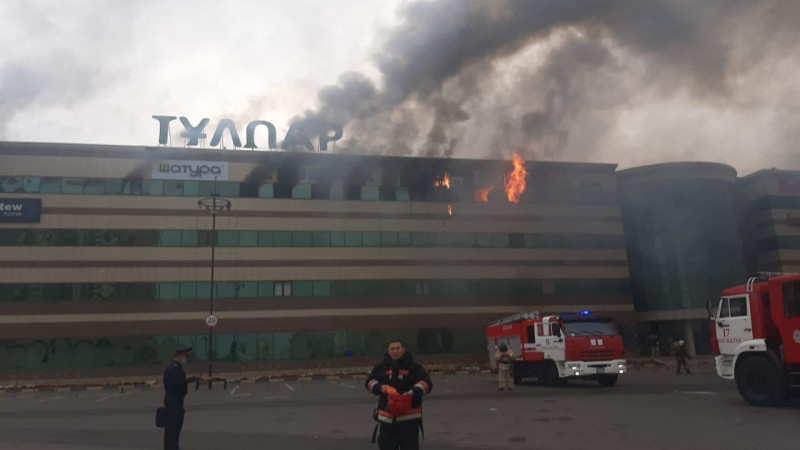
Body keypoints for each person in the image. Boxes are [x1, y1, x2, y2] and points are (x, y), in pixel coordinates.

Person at [366, 340, 432, 450]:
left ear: (403, 350)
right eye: (392, 349)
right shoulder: (382, 367)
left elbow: (427, 383)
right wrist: (381, 387)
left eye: (398, 348)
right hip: (387, 421)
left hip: (409, 421)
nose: (395, 351)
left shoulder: (413, 367)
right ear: (388, 351)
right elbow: (369, 382)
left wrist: (413, 392)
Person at [162, 345, 198, 450]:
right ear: (180, 355)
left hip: (172, 401)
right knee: (174, 429)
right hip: (174, 402)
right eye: (186, 356)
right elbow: (179, 383)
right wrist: (192, 379)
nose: (186, 358)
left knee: (171, 430)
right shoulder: (174, 369)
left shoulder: (172, 367)